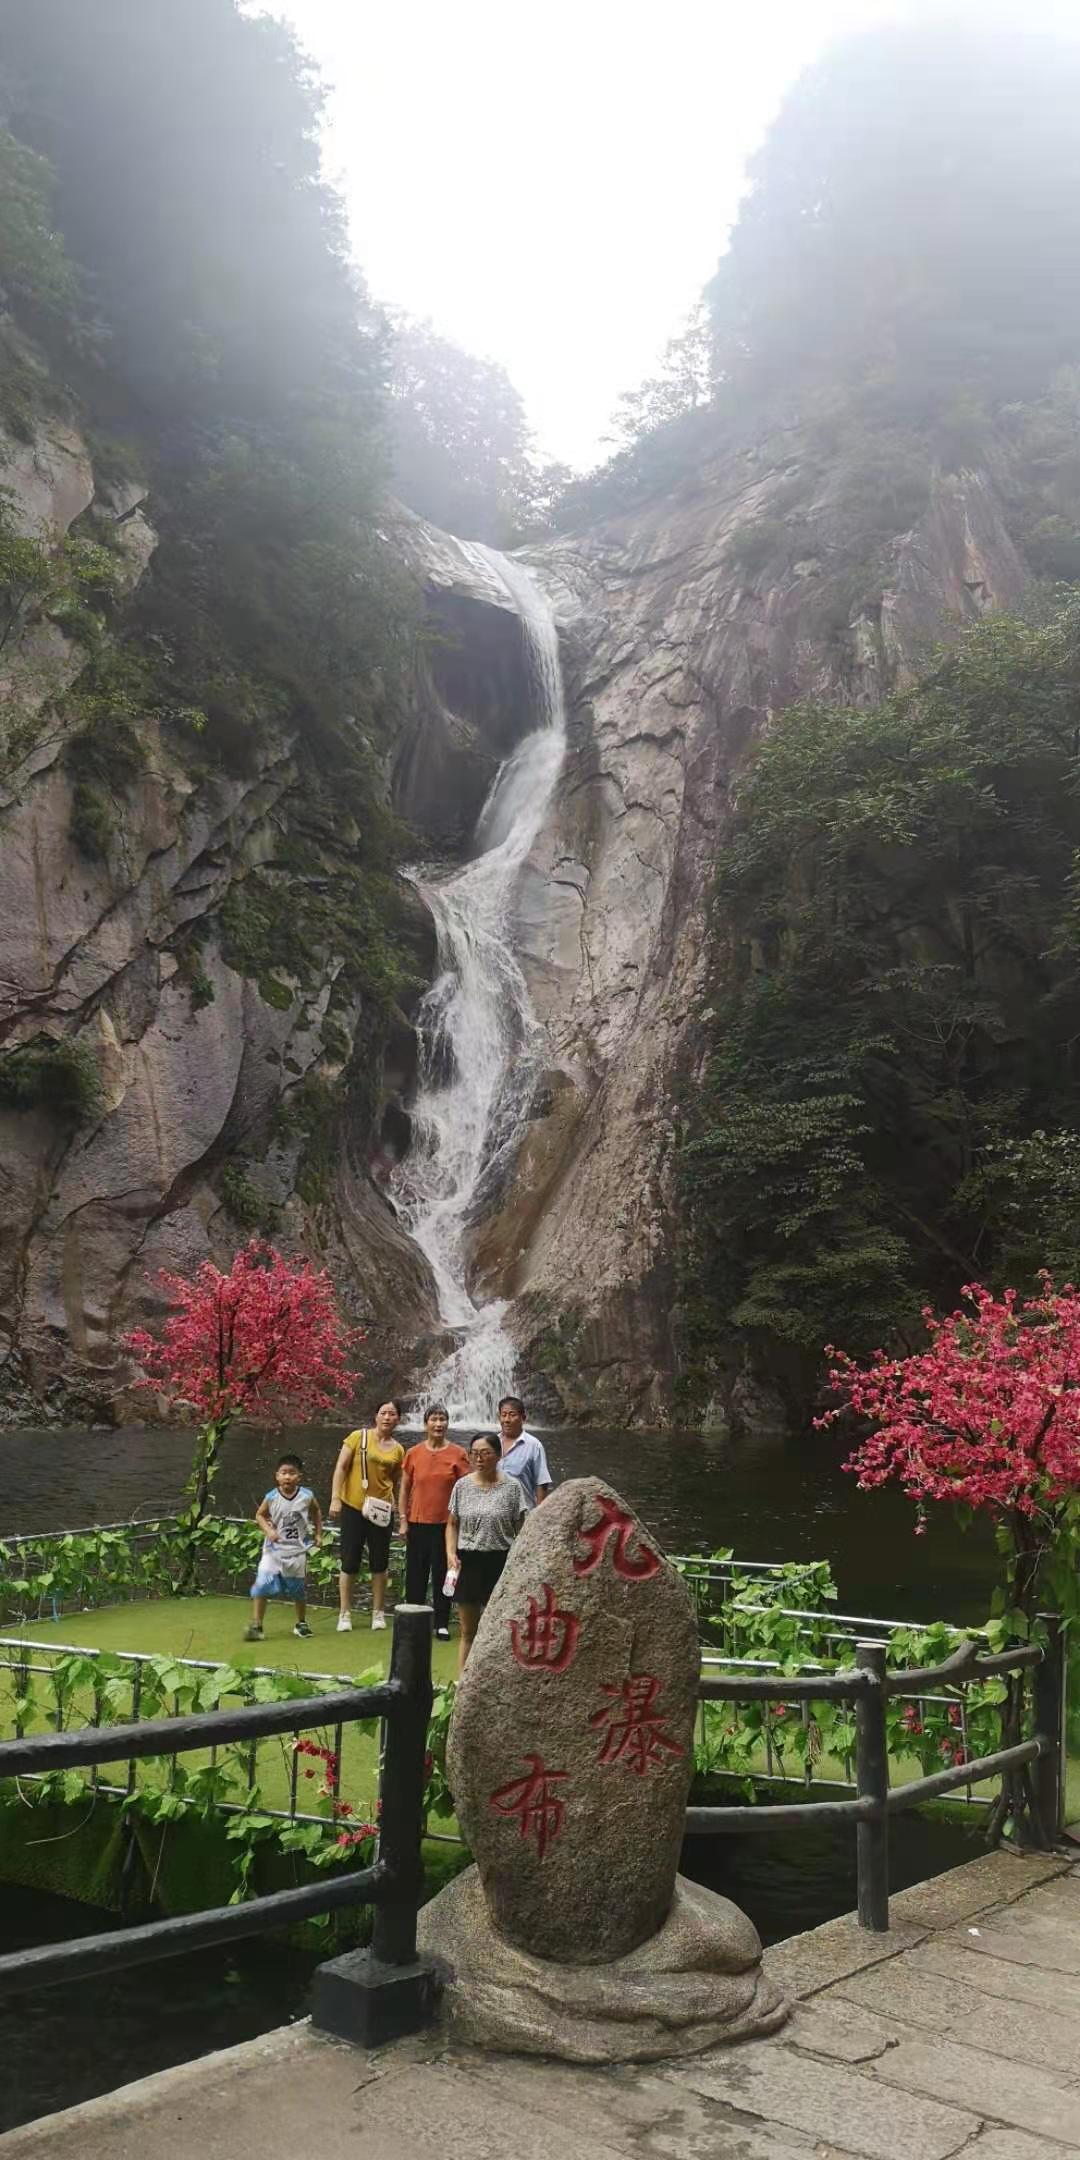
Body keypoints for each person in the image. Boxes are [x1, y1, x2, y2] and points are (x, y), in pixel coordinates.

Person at [445, 1431, 527, 1673]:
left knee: (500, 1629)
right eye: (474, 1453)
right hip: (468, 1561)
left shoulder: (512, 1488)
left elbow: (523, 1528)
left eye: (485, 1453)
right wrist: (451, 1553)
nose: (479, 1458)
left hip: (500, 1561)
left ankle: (496, 1682)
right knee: (468, 1631)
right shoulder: (462, 1486)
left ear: (498, 1455)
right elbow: (452, 1524)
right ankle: (463, 1685)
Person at [328, 1400, 405, 1633]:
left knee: (379, 1562)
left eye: (392, 1414)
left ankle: (378, 1612)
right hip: (353, 1506)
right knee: (349, 1561)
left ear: (398, 1419)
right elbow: (341, 1467)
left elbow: (396, 1479)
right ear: (376, 1416)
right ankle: (344, 1612)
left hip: (381, 1509)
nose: (387, 1417)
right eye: (383, 1413)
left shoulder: (398, 1449)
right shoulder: (357, 1437)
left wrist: (397, 1508)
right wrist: (335, 1498)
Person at [401, 1403, 469, 1643]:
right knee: (415, 1574)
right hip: (418, 1521)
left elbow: (465, 1489)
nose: (438, 1424)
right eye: (434, 1419)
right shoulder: (414, 1453)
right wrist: (402, 1520)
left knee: (444, 1574)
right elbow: (405, 1487)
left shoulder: (459, 1454)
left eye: (442, 1419)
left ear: (448, 1423)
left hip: (446, 1525)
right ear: (425, 1424)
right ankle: (414, 1621)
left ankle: (441, 1623)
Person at [245, 1453, 322, 1642]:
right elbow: (260, 1515)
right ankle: (257, 1625)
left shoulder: (306, 1496)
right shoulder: (271, 1497)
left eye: (292, 1473)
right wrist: (268, 1532)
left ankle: (301, 1623)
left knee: (298, 1590)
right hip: (273, 1550)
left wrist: (318, 1533)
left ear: (299, 1477)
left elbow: (316, 1511)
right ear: (277, 1475)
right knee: (262, 1585)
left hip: (296, 1551)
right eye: (284, 1473)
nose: (287, 1477)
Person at [497, 1396, 552, 1509]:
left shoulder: (534, 1445)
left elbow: (541, 1482)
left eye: (512, 1415)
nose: (507, 1420)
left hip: (522, 1514)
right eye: (504, 1415)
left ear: (523, 1418)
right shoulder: (491, 1443)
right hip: (493, 1513)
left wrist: (538, 1515)